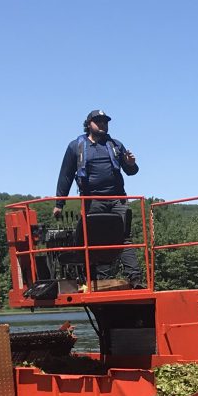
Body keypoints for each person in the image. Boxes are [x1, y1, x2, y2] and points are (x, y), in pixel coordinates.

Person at [54, 111, 141, 285]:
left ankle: (135, 278)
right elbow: (66, 175)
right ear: (88, 124)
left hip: (118, 199)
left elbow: (131, 171)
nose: (102, 124)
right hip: (92, 201)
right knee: (98, 238)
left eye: (105, 121)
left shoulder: (116, 145)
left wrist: (131, 164)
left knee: (123, 237)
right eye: (98, 121)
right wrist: (59, 203)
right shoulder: (75, 146)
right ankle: (103, 280)